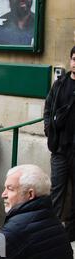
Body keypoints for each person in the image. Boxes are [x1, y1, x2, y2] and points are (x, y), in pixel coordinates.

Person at [44, 45, 75, 242]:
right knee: (57, 190)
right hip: (60, 148)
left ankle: (71, 232)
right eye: (74, 58)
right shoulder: (60, 84)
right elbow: (48, 108)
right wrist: (49, 129)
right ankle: (51, 231)